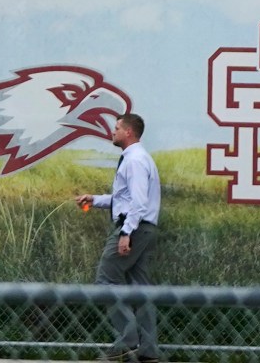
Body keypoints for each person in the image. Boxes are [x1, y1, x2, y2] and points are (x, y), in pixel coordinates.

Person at [73, 111, 160, 362]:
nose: (113, 132)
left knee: (106, 279)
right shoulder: (138, 159)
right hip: (142, 227)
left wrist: (125, 233)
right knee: (141, 290)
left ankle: (127, 341)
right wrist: (96, 200)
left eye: (117, 128)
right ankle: (148, 351)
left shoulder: (134, 161)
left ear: (128, 132)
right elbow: (125, 199)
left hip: (134, 227)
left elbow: (138, 202)